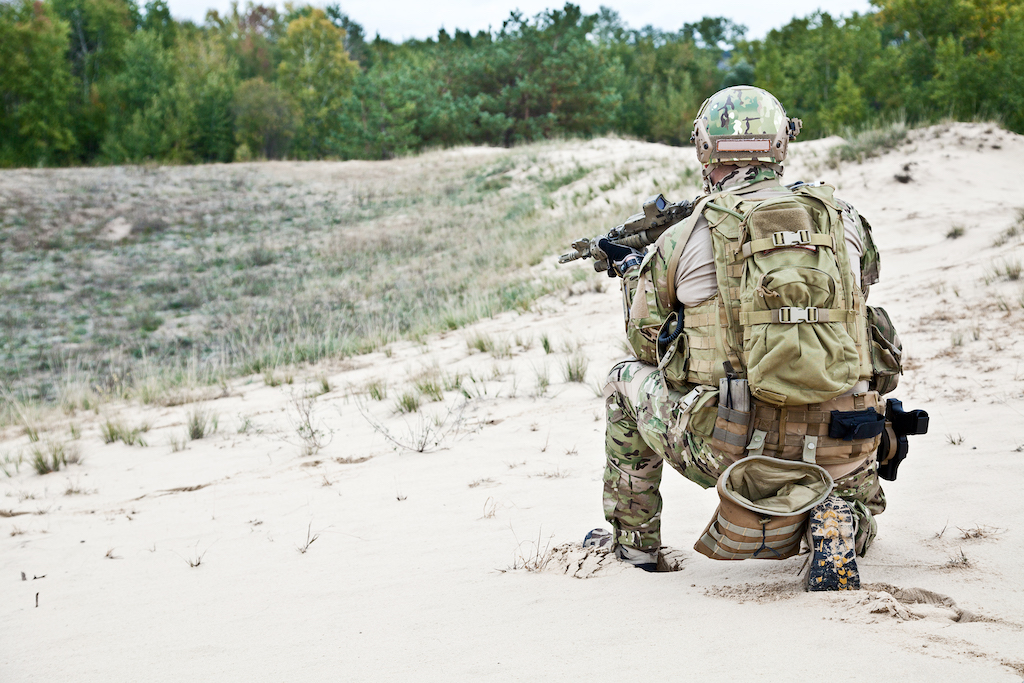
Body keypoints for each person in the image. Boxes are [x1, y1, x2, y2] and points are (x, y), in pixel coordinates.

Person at [586, 86, 891, 590]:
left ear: (705, 149)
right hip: (844, 439)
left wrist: (635, 275)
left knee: (622, 381)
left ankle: (634, 546)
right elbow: (864, 298)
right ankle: (842, 518)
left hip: (734, 444)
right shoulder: (846, 221)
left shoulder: (683, 237)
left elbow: (646, 346)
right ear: (781, 145)